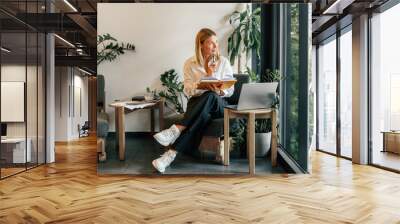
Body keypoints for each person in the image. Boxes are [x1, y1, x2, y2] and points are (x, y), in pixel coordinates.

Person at [152, 28, 234, 173]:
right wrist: (201, 83)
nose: (215, 46)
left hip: (219, 106)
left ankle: (178, 128)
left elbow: (231, 90)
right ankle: (169, 156)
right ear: (201, 44)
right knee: (203, 113)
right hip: (198, 105)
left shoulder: (224, 62)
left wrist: (218, 86)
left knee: (211, 96)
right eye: (211, 43)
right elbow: (188, 90)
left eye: (216, 42)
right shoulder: (190, 63)